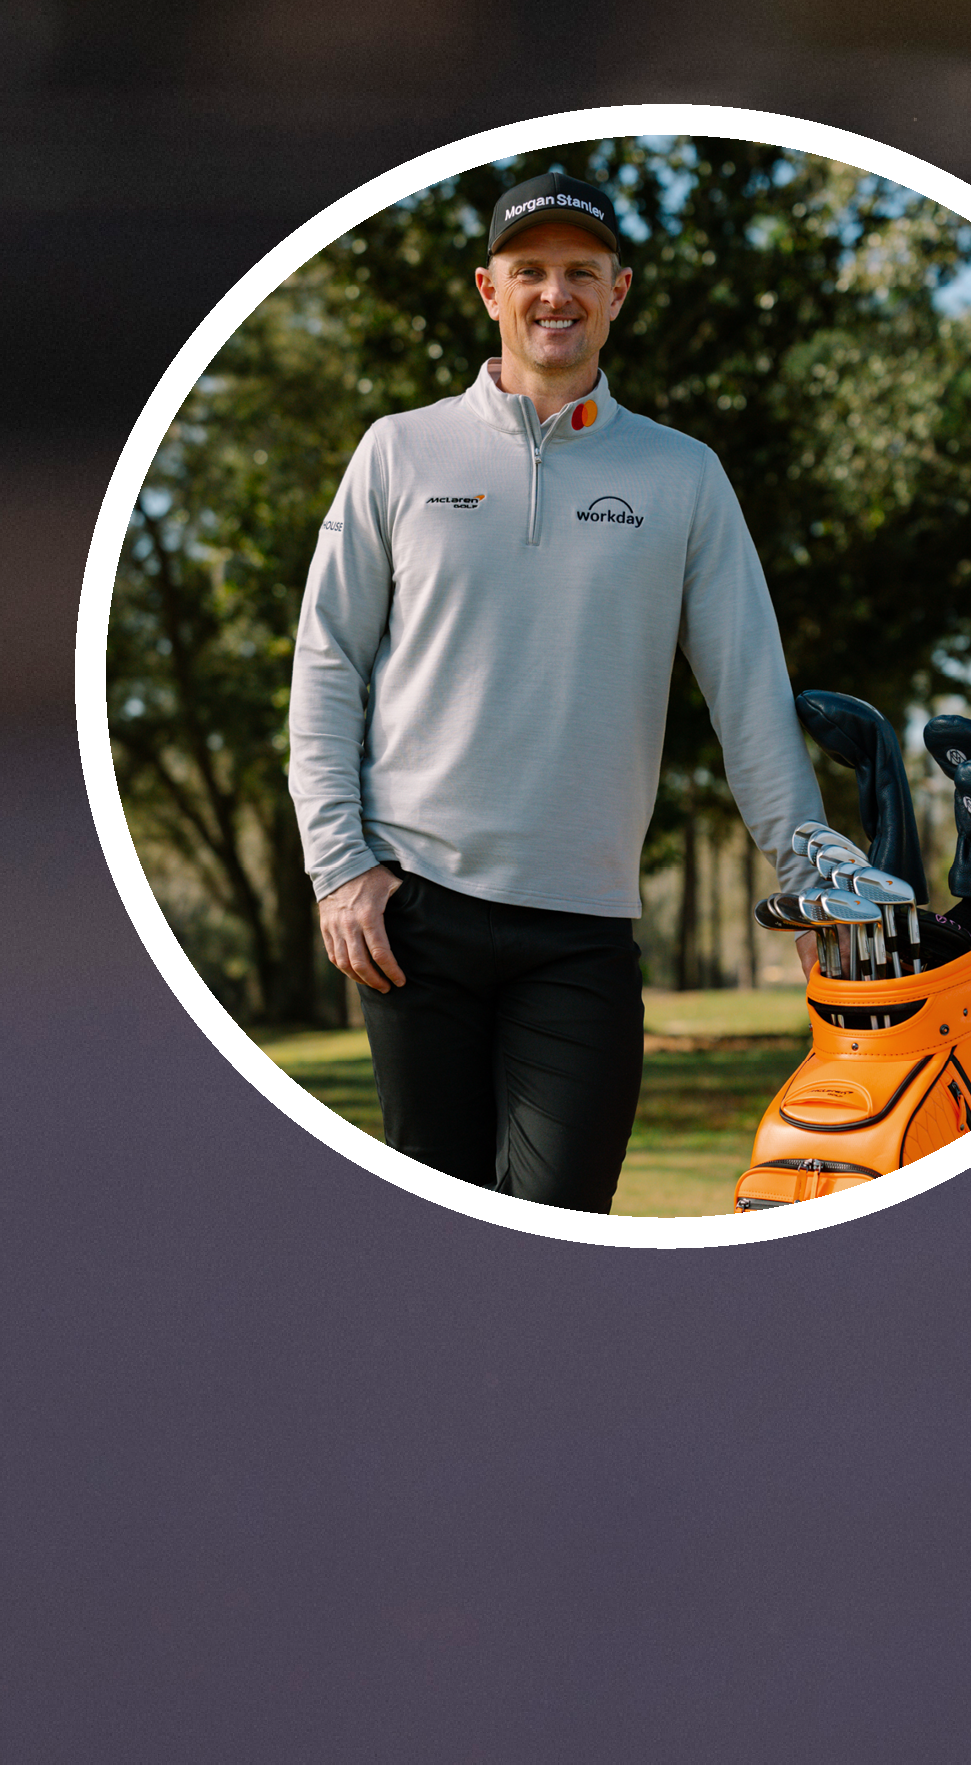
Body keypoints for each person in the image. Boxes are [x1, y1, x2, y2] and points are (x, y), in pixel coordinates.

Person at [289, 170, 824, 1212]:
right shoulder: (398, 452)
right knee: (437, 1240)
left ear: (617, 292)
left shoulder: (683, 476)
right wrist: (338, 866)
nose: (554, 293)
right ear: (487, 289)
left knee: (564, 1227)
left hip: (580, 930)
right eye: (529, 270)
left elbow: (748, 691)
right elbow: (326, 665)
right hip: (414, 914)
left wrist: (805, 865)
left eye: (580, 271)